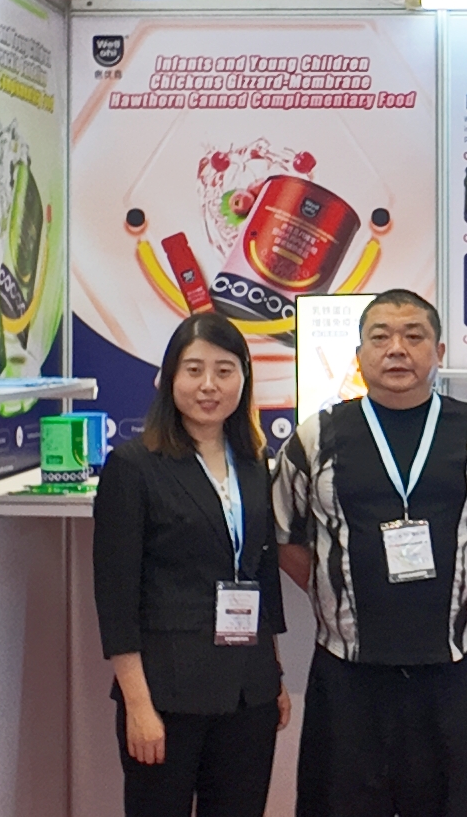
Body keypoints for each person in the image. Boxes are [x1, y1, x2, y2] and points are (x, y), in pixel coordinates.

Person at [274, 288, 467, 817]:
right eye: (381, 337)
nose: (397, 349)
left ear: (439, 352)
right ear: (359, 354)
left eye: (414, 336)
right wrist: (341, 586)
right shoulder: (317, 436)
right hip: (347, 673)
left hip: (449, 671)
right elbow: (288, 541)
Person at [92, 312, 290, 817]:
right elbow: (116, 599)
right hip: (167, 695)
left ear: (244, 379)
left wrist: (272, 676)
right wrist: (138, 706)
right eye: (194, 370)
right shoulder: (134, 466)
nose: (209, 386)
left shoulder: (254, 462)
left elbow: (260, 574)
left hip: (248, 693)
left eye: (224, 371)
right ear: (169, 378)